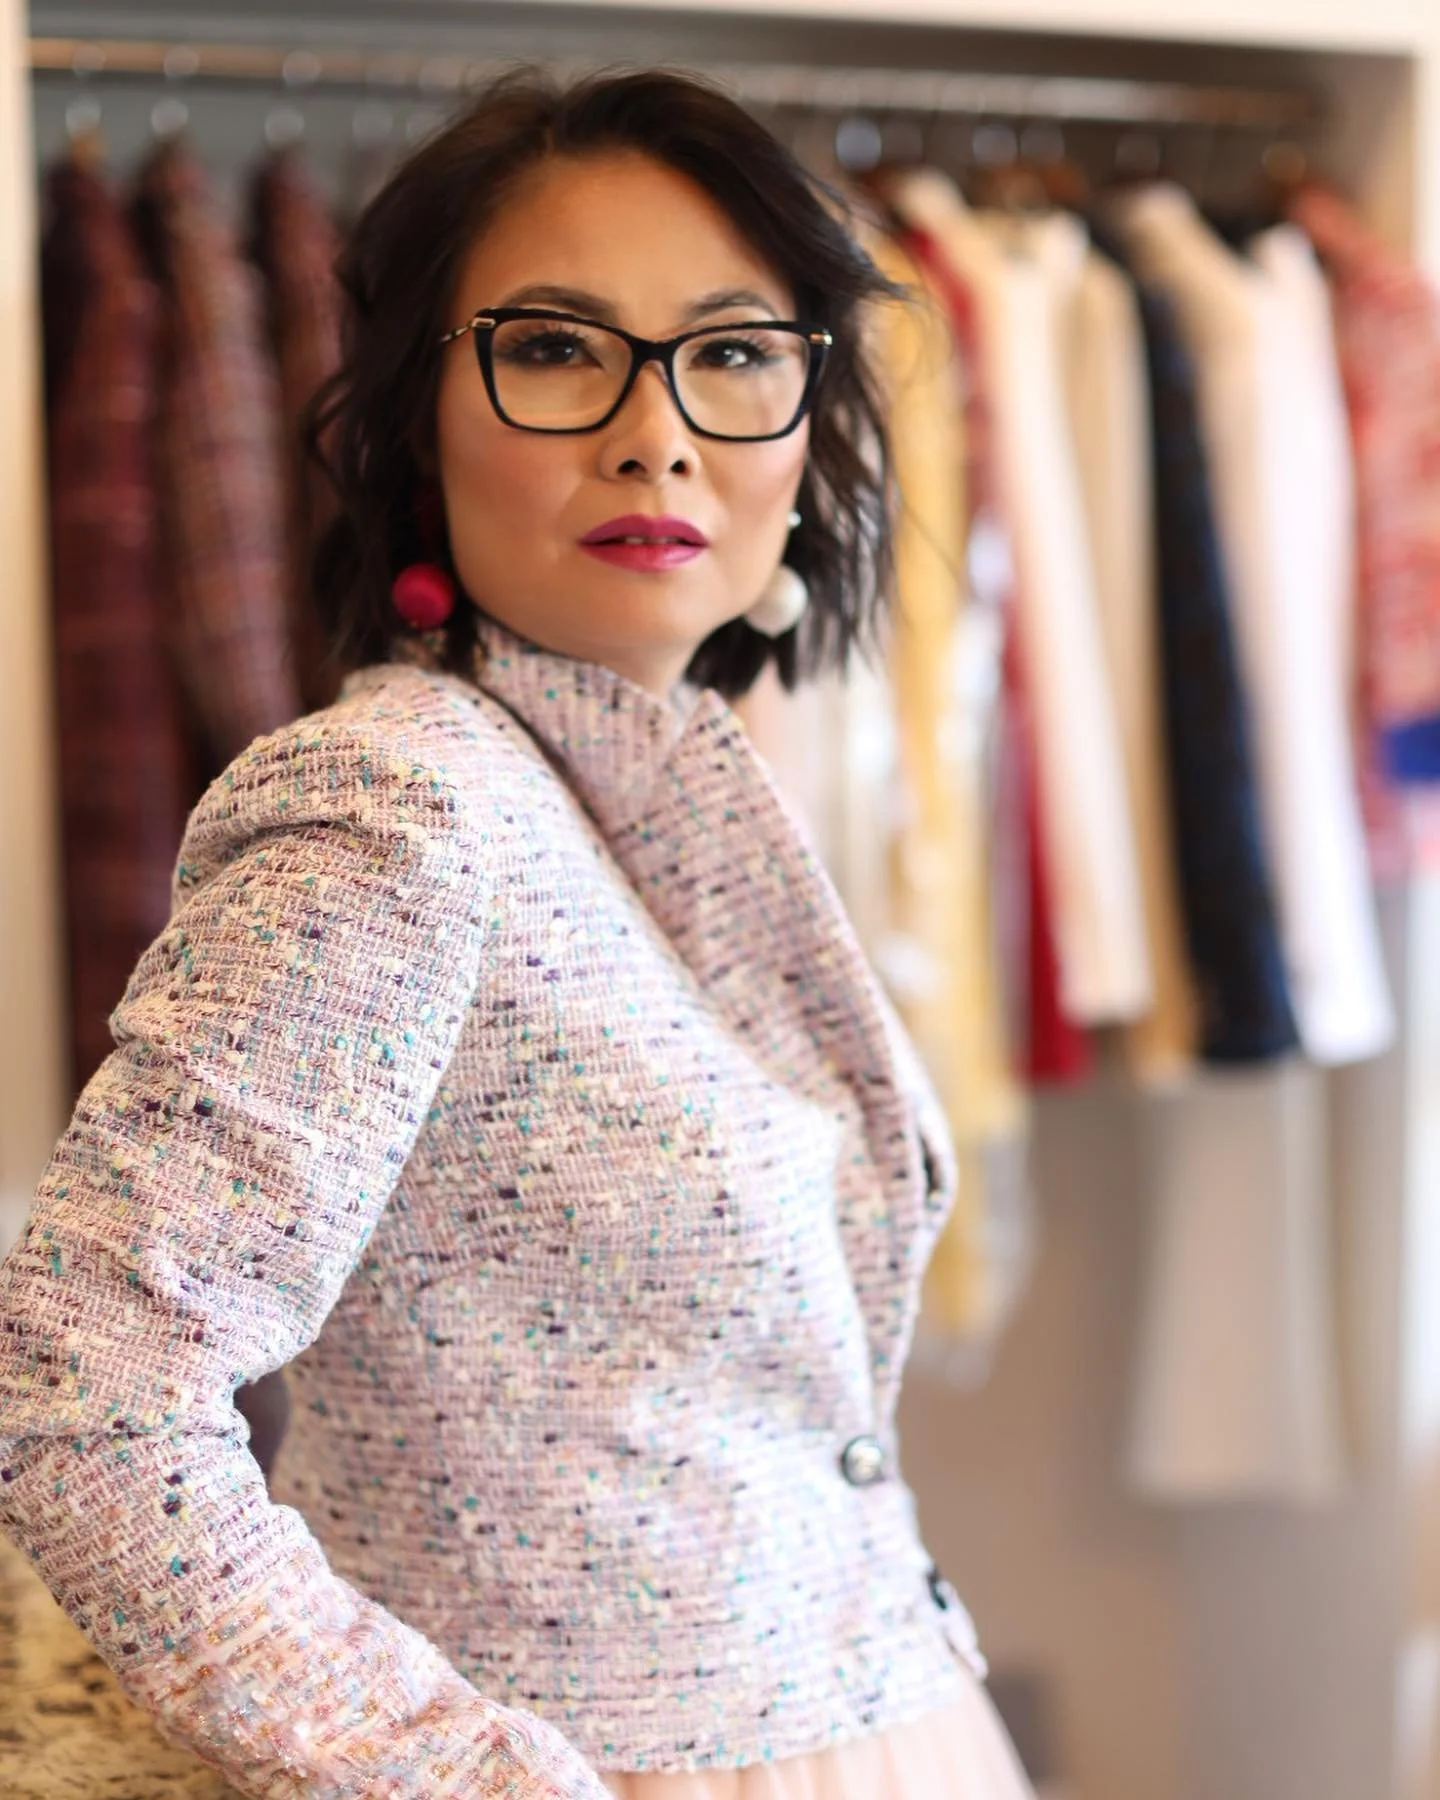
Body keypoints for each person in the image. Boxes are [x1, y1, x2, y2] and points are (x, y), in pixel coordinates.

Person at [0, 68, 1034, 1799]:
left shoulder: (657, 790)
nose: (659, 430)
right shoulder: (393, 810)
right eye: (554, 348)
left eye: (733, 350)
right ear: (418, 422)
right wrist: (463, 1779)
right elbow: (85, 1395)